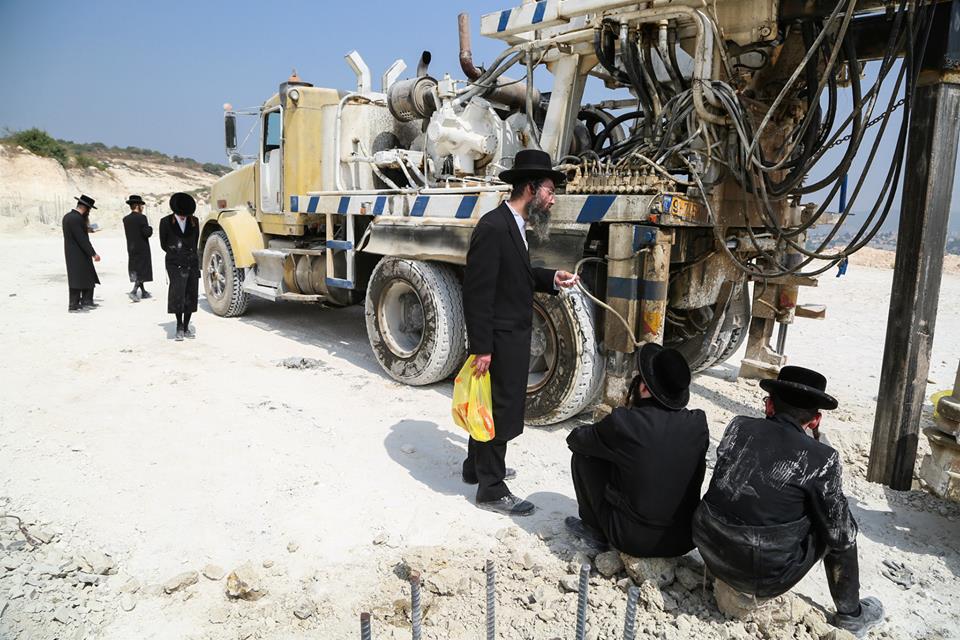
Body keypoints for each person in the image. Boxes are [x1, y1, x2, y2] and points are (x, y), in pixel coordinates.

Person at [692, 366, 884, 638]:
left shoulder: (738, 425)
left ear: (769, 405)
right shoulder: (822, 457)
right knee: (837, 524)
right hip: (760, 574)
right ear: (816, 420)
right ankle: (851, 614)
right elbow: (840, 535)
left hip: (709, 547)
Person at [461, 149, 581, 516]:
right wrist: (482, 347)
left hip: (510, 334)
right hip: (498, 338)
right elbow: (476, 292)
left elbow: (515, 277)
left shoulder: (515, 225)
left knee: (487, 403)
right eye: (549, 190)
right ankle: (492, 488)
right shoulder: (494, 226)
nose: (553, 198)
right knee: (500, 408)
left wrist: (550, 278)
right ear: (530, 188)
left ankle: (474, 468)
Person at [564, 343, 708, 556]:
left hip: (633, 541)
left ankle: (593, 531)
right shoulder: (698, 424)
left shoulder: (625, 423)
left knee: (585, 457)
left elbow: (576, 440)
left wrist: (607, 433)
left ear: (643, 389)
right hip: (683, 540)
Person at [159, 192, 200, 341]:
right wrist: (176, 253)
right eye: (181, 214)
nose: (183, 217)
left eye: (186, 214)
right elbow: (163, 244)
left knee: (190, 293)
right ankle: (179, 325)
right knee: (178, 293)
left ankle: (187, 326)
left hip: (191, 262)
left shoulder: (195, 221)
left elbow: (195, 242)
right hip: (174, 263)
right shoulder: (165, 222)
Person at [62, 194, 101, 312]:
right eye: (89, 209)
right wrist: (93, 253)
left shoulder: (68, 216)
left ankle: (82, 301)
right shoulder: (76, 218)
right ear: (85, 208)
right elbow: (82, 239)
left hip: (72, 252)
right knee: (80, 277)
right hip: (78, 252)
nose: (88, 212)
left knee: (81, 276)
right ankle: (76, 304)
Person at [122, 195, 154, 302]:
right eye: (141, 205)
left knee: (137, 268)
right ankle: (134, 291)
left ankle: (143, 291)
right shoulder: (142, 218)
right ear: (137, 206)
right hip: (142, 248)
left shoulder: (126, 219)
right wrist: (150, 228)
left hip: (131, 248)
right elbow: (146, 233)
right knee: (142, 269)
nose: (143, 207)